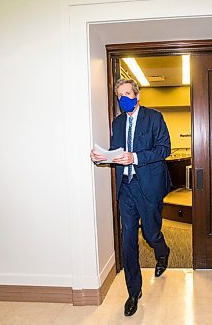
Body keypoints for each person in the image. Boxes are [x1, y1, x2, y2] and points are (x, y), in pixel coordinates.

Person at [90, 78, 171, 317]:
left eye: (127, 93)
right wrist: (102, 157)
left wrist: (134, 157)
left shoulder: (154, 117)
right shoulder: (117, 122)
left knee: (150, 233)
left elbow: (164, 149)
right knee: (128, 241)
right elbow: (116, 154)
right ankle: (133, 292)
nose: (123, 97)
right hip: (125, 188)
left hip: (148, 186)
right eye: (120, 95)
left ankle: (162, 250)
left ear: (137, 95)